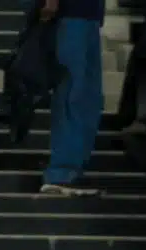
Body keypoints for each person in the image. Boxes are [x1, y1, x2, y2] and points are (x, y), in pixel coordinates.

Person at [39, 0, 105, 197]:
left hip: (89, 16)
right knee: (72, 93)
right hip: (70, 14)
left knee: (87, 97)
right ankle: (61, 172)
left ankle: (75, 169)